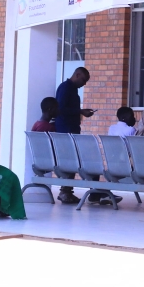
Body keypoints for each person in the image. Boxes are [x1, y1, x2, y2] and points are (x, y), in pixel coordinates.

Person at [54, 67, 96, 204]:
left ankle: (67, 191)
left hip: (71, 129)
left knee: (72, 160)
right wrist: (80, 111)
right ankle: (65, 191)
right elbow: (60, 108)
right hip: (65, 130)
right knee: (69, 160)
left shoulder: (72, 89)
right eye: (83, 80)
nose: (84, 84)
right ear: (77, 75)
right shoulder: (66, 88)